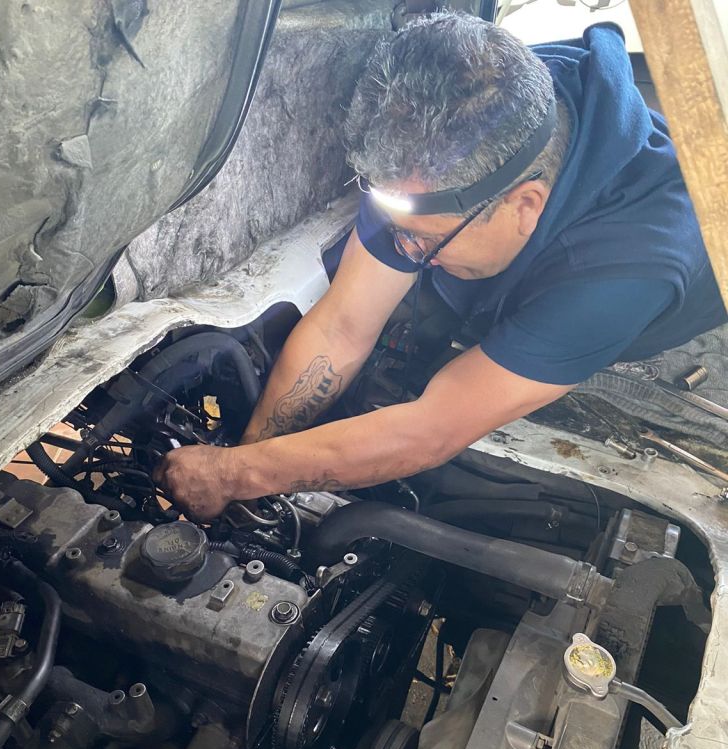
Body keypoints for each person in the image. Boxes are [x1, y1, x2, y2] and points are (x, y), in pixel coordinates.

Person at [155, 11, 726, 521]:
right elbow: (342, 326)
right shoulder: (458, 129)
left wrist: (235, 476)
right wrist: (247, 458)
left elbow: (429, 430)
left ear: (524, 205)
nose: (406, 252)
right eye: (396, 228)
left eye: (426, 240)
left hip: (650, 322)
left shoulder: (626, 273)